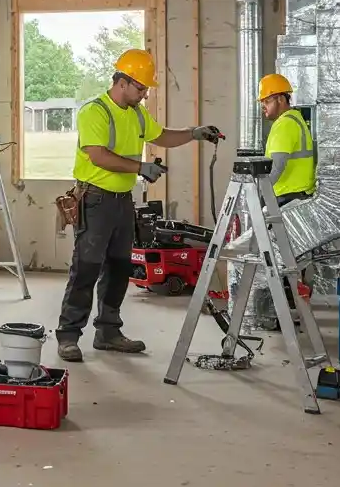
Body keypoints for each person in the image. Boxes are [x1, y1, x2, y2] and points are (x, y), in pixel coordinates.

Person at [55, 49, 224, 363]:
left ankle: (108, 332)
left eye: (146, 89)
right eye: (141, 88)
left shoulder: (136, 113)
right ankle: (68, 336)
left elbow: (161, 136)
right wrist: (140, 168)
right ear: (122, 82)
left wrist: (194, 134)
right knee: (86, 269)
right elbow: (98, 155)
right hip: (95, 200)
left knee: (119, 269)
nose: (145, 94)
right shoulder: (95, 112)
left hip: (121, 202)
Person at [258, 73, 316, 205]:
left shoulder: (285, 124)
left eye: (267, 101)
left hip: (286, 195)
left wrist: (260, 192)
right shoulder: (295, 118)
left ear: (281, 99)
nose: (263, 106)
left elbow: (277, 165)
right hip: (297, 193)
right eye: (262, 102)